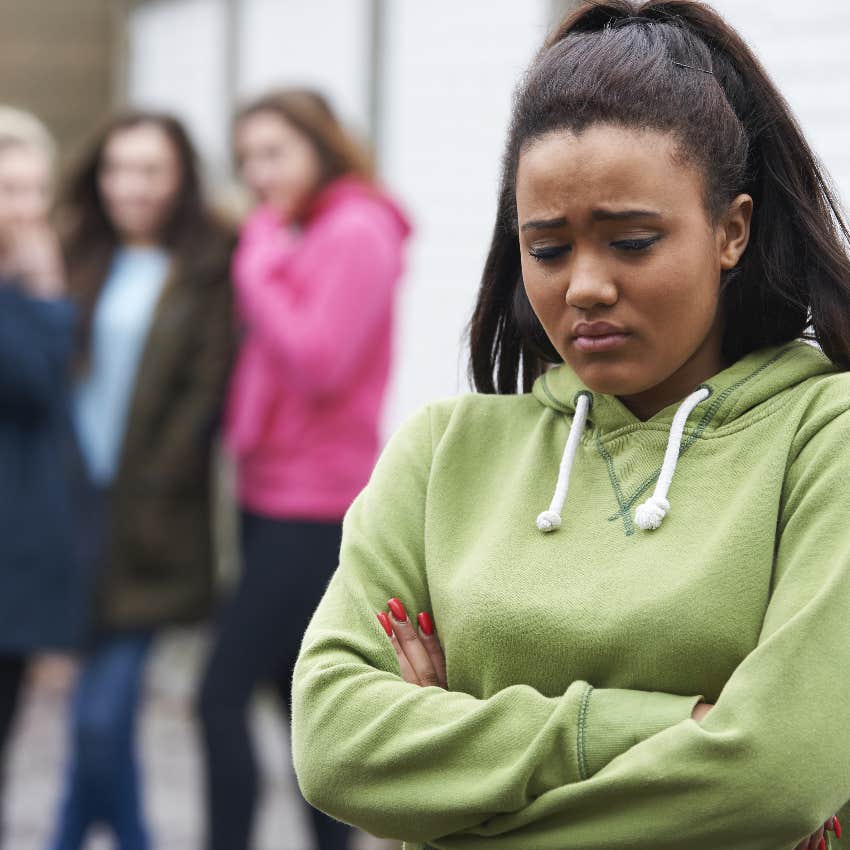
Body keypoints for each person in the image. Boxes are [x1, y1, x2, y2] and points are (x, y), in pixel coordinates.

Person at [290, 3, 850, 850]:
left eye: (630, 241)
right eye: (547, 249)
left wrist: (449, 789)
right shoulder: (445, 453)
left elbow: (775, 778)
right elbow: (334, 745)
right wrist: (655, 727)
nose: (584, 285)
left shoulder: (824, 439)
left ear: (730, 230)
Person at [198, 88, 411, 850]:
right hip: (266, 488)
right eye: (246, 157)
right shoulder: (301, 229)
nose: (257, 173)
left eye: (274, 153)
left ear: (322, 146)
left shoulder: (355, 229)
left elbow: (320, 361)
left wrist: (258, 265)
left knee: (218, 692)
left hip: (315, 500)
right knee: (296, 695)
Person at [46, 111, 235, 850]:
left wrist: (159, 480)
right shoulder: (75, 251)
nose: (132, 186)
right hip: (71, 507)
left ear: (181, 176)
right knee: (96, 721)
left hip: (152, 516)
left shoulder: (208, 262)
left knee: (98, 716)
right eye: (118, 168)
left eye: (150, 169)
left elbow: (204, 395)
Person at [0, 105, 79, 843]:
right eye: (8, 189)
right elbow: (32, 380)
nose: (26, 208)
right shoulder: (28, 285)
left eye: (34, 189)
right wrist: (48, 290)